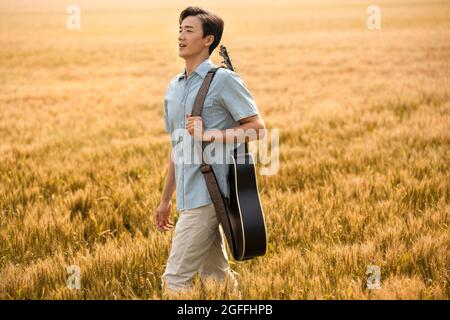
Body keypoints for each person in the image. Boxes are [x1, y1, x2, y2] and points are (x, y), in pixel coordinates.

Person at [156, 6, 266, 296]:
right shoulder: (176, 86)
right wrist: (166, 199)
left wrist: (210, 135)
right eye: (180, 29)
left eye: (189, 30)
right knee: (216, 276)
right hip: (188, 195)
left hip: (211, 193)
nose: (181, 35)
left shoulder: (223, 80)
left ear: (208, 40)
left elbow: (257, 128)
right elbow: (177, 147)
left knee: (175, 279)